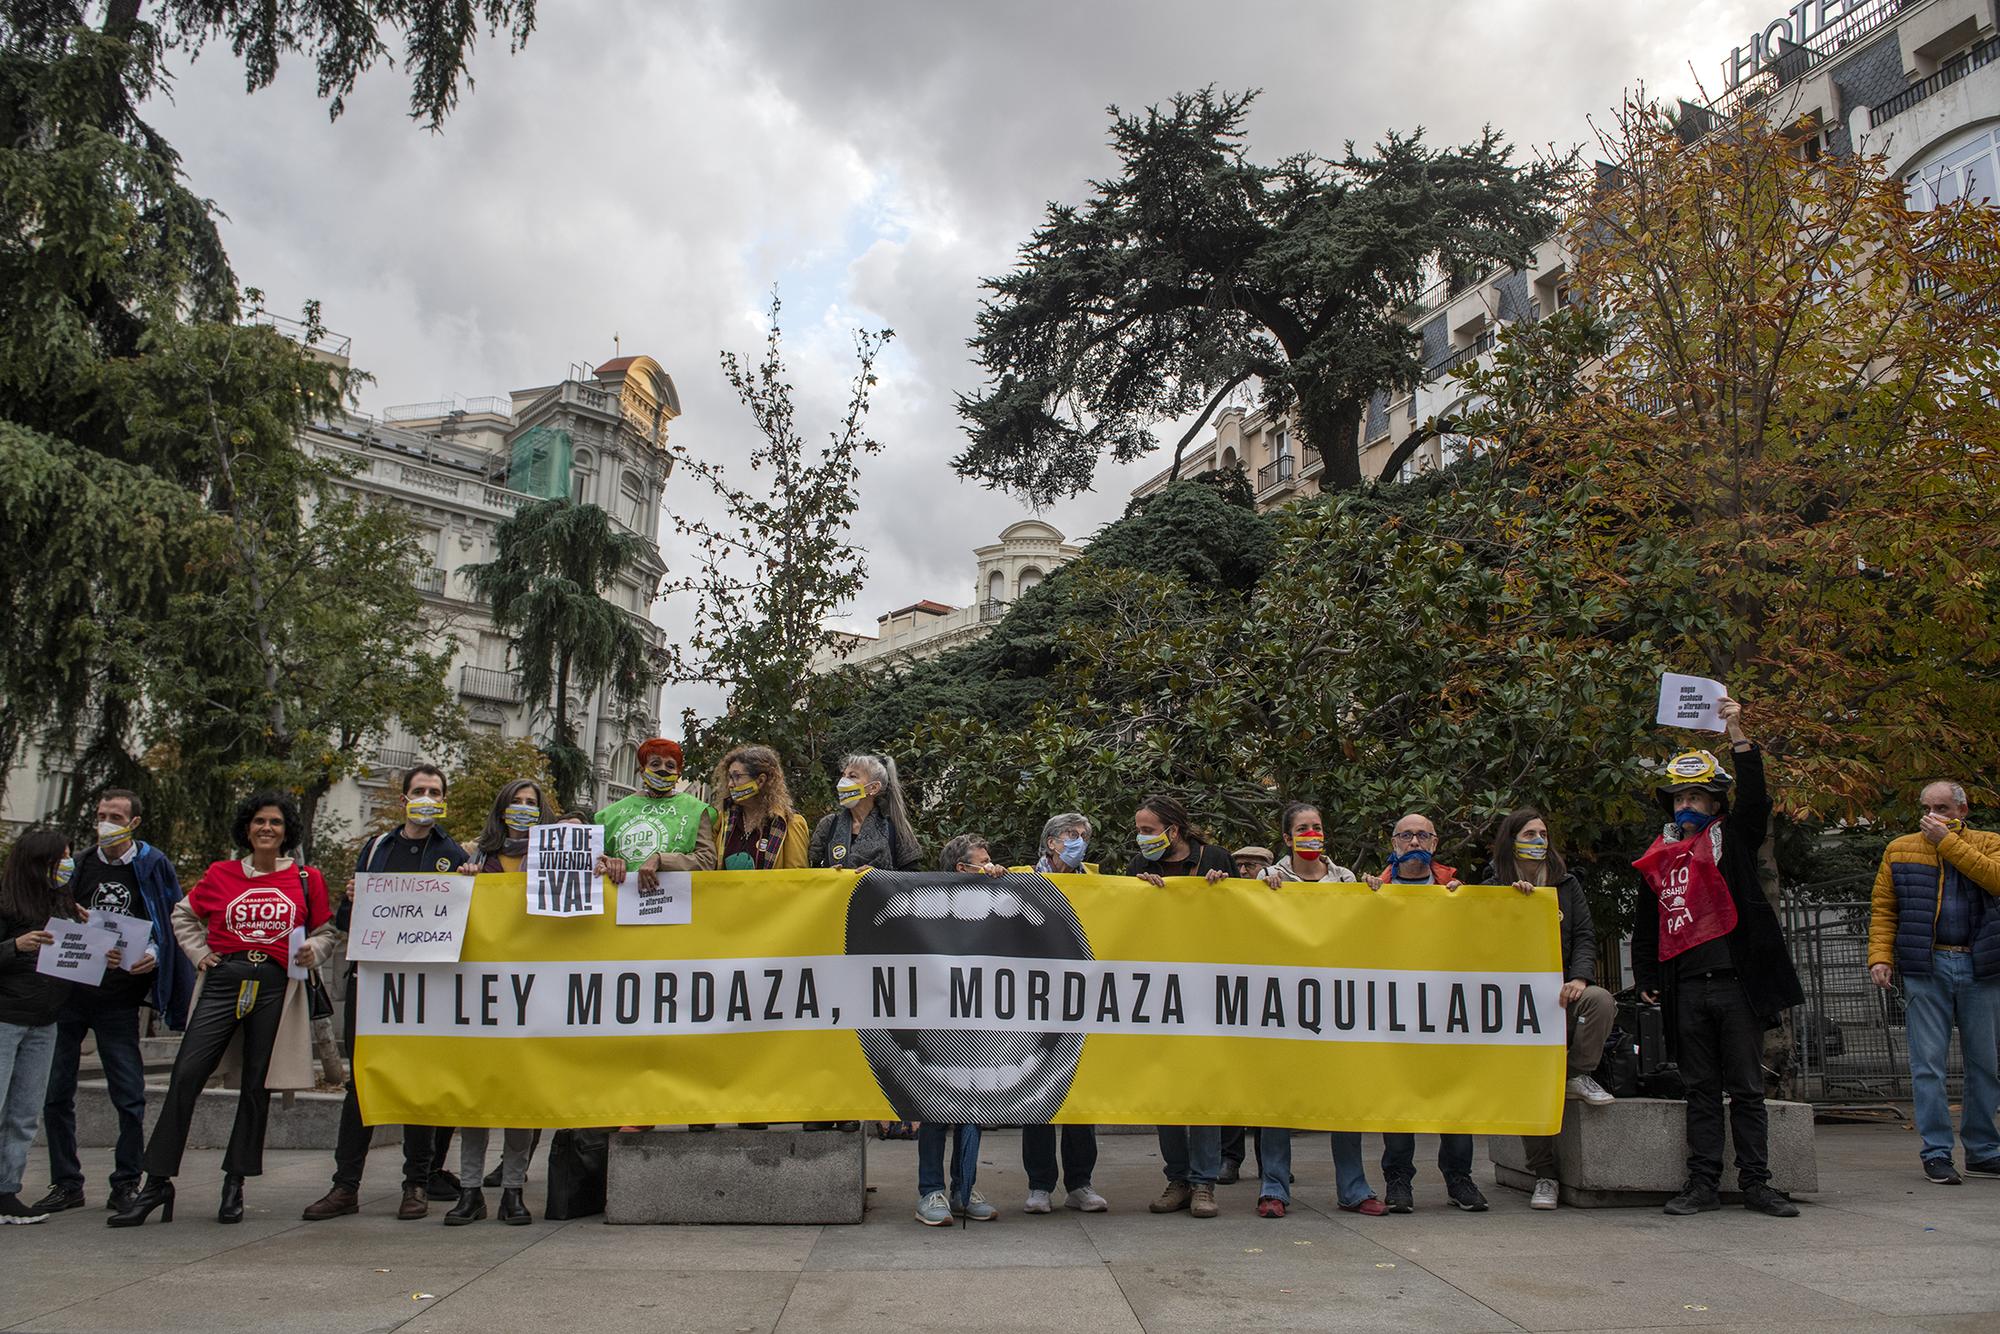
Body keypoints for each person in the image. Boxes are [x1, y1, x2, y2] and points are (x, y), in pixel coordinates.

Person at [110, 790, 336, 1227]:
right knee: (186, 1076)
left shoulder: (307, 878)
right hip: (222, 983)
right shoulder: (221, 874)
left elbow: (325, 932)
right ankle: (156, 1183)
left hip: (275, 988)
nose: (266, 829)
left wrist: (313, 949)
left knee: (256, 1086)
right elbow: (182, 916)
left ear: (287, 831)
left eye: (274, 822)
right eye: (258, 822)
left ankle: (235, 1183)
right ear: (247, 829)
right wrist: (199, 954)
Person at [1631, 697, 1804, 1219]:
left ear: (1715, 804)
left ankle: (1757, 1184)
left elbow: (1756, 800)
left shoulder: (1734, 842)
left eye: (1698, 798)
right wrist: (1645, 976)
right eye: (1680, 797)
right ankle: (1701, 1183)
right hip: (1685, 986)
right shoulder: (1658, 856)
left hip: (1736, 984)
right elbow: (1647, 922)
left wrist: (1737, 732)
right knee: (1699, 1090)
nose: (1687, 805)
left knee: (1747, 1089)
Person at [302, 764, 471, 1223]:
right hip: (373, 982)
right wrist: (352, 899)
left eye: (435, 791)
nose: (427, 797)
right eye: (419, 790)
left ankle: (416, 1183)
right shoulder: (377, 849)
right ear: (404, 799)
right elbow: (346, 922)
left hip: (424, 987)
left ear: (444, 801)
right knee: (364, 1082)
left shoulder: (452, 855)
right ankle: (345, 1186)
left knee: (417, 1083)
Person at [34, 790, 192, 1216]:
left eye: (116, 816)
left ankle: (126, 1182)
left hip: (118, 998)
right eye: (101, 815)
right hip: (71, 993)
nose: (106, 822)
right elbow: (55, 913)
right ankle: (66, 1182)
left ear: (134, 823)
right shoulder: (81, 863)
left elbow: (170, 919)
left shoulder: (152, 864)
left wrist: (153, 955)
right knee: (56, 1093)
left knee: (128, 1095)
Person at [1866, 780, 2000, 1185]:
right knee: (1927, 1065)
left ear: (1961, 809)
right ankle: (1937, 1152)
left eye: (1941, 807)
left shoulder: (1989, 842)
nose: (1932, 815)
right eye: (1926, 807)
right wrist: (1880, 957)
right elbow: (1885, 908)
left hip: (1981, 966)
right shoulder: (1900, 848)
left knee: (1986, 1065)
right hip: (1928, 965)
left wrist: (1947, 842)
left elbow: (1995, 880)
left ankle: (1983, 1150)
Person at [1256, 802, 1384, 1218]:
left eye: (1317, 827)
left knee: (1343, 1096)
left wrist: (1373, 897)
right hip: (1284, 1003)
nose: (1313, 834)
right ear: (1287, 839)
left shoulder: (1346, 879)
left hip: (1333, 1004)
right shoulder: (1268, 878)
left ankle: (1355, 1188)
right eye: (1303, 829)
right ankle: (1273, 1188)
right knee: (1277, 1097)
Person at [1489, 808, 1616, 1211]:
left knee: (1601, 1001)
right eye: (1530, 832)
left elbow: (1583, 935)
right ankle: (1545, 1175)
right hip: (1517, 1003)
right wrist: (1514, 905)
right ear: (1512, 839)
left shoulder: (1567, 883)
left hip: (1561, 993)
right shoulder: (1493, 885)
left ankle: (1576, 1074)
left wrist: (1579, 978)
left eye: (1544, 832)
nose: (1539, 838)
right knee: (1530, 1086)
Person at [447, 778, 559, 1225]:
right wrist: (464, 882)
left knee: (520, 1098)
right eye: (517, 802)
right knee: (477, 1098)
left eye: (532, 804)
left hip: (534, 991)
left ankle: (513, 1190)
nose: (525, 809)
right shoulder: (478, 857)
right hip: (483, 993)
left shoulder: (554, 860)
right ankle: (470, 1190)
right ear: (502, 809)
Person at [1365, 812, 1487, 1213]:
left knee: (1454, 1097)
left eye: (1423, 835)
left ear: (1435, 844)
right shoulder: (1373, 891)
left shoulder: (1455, 890)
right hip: (1394, 1011)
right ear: (1393, 842)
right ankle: (1398, 1180)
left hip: (1445, 1012)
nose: (1414, 842)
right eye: (1406, 835)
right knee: (1397, 1098)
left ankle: (1459, 1179)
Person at [1127, 794, 1230, 1218]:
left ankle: (1204, 1183)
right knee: (1167, 1087)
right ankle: (1178, 1178)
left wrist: (1225, 890)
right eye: (1140, 830)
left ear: (1173, 829)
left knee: (1202, 1086)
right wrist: (1138, 894)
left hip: (1206, 987)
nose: (1142, 837)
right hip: (1159, 992)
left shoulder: (1215, 857)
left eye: (1148, 830)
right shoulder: (1139, 866)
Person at [912, 834, 1005, 1226]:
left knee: (973, 1104)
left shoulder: (1000, 901)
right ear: (959, 869)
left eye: (990, 861)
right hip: (937, 1019)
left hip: (979, 1018)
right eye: (981, 863)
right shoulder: (931, 904)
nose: (989, 867)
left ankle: (964, 1188)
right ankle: (930, 1191)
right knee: (935, 1107)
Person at [1020, 812, 1108, 1215]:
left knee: (1079, 1094)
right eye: (1072, 835)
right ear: (1051, 842)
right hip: (1032, 1000)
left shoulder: (1097, 878)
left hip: (1079, 999)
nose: (1079, 842)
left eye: (1084, 836)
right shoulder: (1021, 877)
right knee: (1037, 1095)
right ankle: (1040, 1185)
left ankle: (1080, 1183)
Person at [1, 829, 79, 1224]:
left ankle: (7, 1190)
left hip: (45, 1021)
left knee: (24, 1112)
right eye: (60, 856)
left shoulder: (62, 904)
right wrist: (16, 946)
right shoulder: (6, 901)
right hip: (5, 1018)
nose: (67, 863)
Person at [599, 738, 718, 884]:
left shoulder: (695, 810)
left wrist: (661, 859)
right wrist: (610, 863)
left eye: (670, 765)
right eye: (655, 764)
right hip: (622, 899)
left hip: (675, 900)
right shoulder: (611, 814)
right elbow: (594, 860)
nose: (663, 770)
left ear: (677, 775)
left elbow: (707, 860)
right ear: (642, 772)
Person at [808, 754, 925, 872]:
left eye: (852, 776)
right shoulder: (829, 824)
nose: (843, 782)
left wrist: (877, 877)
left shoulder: (895, 826)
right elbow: (813, 873)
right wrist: (827, 874)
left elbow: (912, 877)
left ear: (873, 787)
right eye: (844, 775)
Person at [712, 745, 809, 870]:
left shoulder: (790, 824)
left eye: (737, 776)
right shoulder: (721, 821)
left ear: (760, 781)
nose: (730, 784)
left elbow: (796, 878)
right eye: (730, 777)